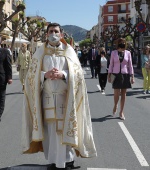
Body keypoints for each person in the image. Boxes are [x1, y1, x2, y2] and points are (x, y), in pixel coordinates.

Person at [22, 23, 97, 170]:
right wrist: (45, 75)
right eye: (50, 31)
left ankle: (68, 161)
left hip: (65, 99)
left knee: (65, 129)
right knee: (50, 131)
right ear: (46, 34)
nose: (53, 34)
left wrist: (64, 74)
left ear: (61, 34)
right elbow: (31, 76)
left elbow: (79, 74)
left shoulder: (69, 51)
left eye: (56, 31)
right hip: (47, 99)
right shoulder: (40, 52)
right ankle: (53, 161)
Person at [108, 38, 135, 120]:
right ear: (118, 44)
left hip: (125, 74)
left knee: (123, 94)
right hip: (116, 74)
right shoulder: (114, 53)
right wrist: (109, 75)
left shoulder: (128, 53)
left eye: (123, 42)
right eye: (121, 42)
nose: (122, 43)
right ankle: (115, 105)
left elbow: (130, 65)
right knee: (116, 93)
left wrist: (132, 76)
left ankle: (121, 112)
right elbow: (111, 64)